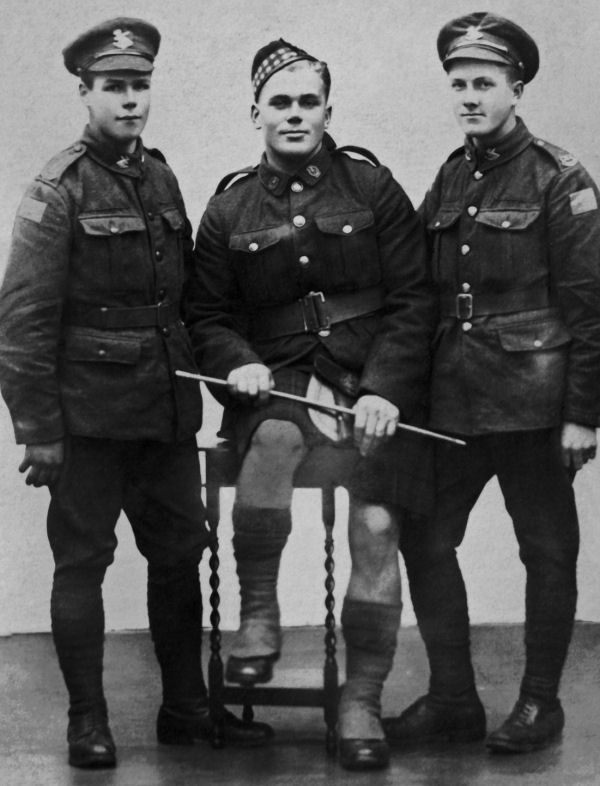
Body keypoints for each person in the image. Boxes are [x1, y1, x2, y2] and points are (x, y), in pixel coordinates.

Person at [0, 17, 271, 769]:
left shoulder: (159, 176)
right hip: (88, 419)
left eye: (140, 85)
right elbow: (21, 322)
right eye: (114, 86)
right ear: (84, 92)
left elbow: (183, 299)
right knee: (82, 564)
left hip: (163, 413)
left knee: (180, 555)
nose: (130, 100)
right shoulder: (58, 189)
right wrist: (39, 430)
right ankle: (86, 721)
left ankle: (184, 709)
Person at [185, 39, 435, 770]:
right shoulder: (228, 208)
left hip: (369, 383)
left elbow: (414, 301)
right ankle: (259, 615)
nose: (295, 114)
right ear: (255, 113)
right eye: (280, 103)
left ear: (328, 110)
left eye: (308, 102)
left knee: (377, 523)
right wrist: (239, 364)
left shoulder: (373, 189)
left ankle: (362, 699)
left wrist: (386, 388)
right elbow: (206, 316)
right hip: (278, 381)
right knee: (271, 442)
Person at [384, 12, 600, 754]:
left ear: (517, 88)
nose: (470, 97)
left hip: (534, 400)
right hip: (455, 399)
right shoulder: (453, 174)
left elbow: (591, 306)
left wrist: (584, 414)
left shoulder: (559, 177)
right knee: (425, 536)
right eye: (459, 84)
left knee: (547, 549)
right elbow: (417, 283)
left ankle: (541, 704)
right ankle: (453, 700)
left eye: (484, 82)